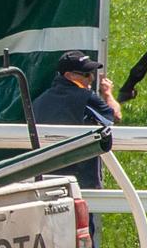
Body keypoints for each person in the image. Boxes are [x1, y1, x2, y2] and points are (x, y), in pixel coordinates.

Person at [32, 50, 122, 248]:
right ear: (69, 76)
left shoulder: (39, 102)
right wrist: (108, 94)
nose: (91, 78)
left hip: (47, 183)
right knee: (84, 235)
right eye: (86, 74)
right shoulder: (86, 97)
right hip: (81, 181)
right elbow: (115, 116)